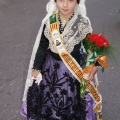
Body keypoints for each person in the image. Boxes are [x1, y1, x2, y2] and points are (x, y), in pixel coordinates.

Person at [20, 0, 101, 120]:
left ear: (77, 2)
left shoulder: (82, 23)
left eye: (70, 0)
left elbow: (90, 47)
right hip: (51, 68)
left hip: (74, 70)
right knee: (49, 102)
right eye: (61, 0)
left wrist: (94, 65)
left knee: (72, 102)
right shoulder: (49, 22)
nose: (65, 4)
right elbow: (42, 46)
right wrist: (36, 67)